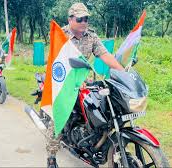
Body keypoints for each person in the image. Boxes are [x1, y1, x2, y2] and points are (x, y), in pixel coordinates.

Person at [46, 3, 124, 168]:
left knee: (103, 109)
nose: (83, 22)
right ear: (70, 19)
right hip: (64, 82)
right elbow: (55, 63)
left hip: (84, 81)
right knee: (60, 117)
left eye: (86, 18)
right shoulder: (61, 35)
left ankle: (95, 141)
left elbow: (104, 55)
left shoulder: (91, 36)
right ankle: (51, 157)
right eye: (79, 19)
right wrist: (72, 81)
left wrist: (122, 71)